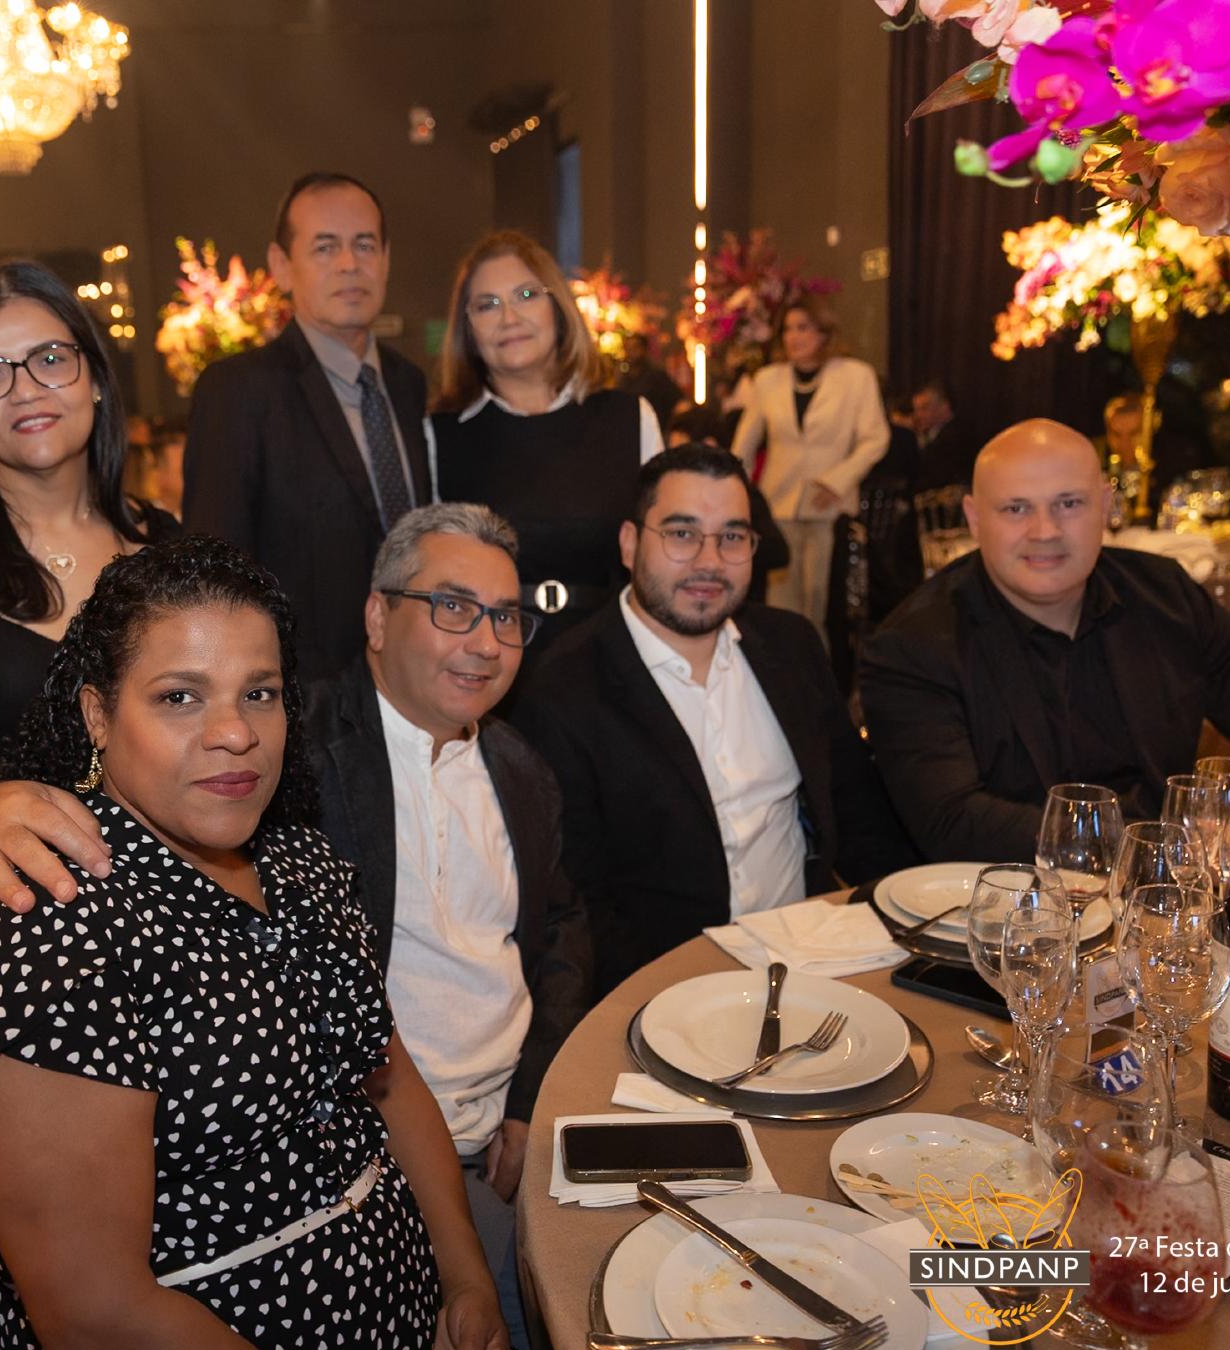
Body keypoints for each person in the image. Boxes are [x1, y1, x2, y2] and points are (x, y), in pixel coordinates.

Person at [0, 536, 511, 1350]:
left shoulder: (302, 861)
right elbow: (97, 1320)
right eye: (180, 697)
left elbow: (388, 1078)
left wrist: (467, 1279)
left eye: (259, 692)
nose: (235, 732)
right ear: (97, 714)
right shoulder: (43, 932)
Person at [858, 418, 1230, 884]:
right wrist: (1173, 845)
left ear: (1106, 505)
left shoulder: (1167, 599)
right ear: (975, 519)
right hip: (1005, 927)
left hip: (1167, 922)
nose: (1045, 530)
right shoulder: (913, 645)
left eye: (1069, 503)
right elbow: (952, 823)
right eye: (1016, 509)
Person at [302, 503, 592, 1350]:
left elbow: (562, 933)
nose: (487, 642)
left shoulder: (519, 768)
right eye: (454, 607)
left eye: (506, 617)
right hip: (371, 1149)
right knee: (553, 1321)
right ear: (377, 615)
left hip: (516, 1126)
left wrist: (530, 1102)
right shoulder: (294, 751)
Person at [514, 445, 916, 995]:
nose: (709, 561)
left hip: (814, 967)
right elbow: (582, 903)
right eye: (682, 534)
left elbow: (860, 817)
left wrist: (911, 936)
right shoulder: (562, 689)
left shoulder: (792, 647)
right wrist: (686, 1001)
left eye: (732, 536)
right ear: (630, 544)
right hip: (666, 990)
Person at [0, 259, 174, 856]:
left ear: (94, 376)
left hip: (154, 878)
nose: (25, 390)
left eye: (50, 359)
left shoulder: (163, 545)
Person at [181, 171, 432, 680]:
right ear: (282, 265)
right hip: (304, 690)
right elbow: (214, 571)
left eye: (365, 245)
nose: (349, 263)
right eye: (325, 247)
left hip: (415, 673)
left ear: (386, 259)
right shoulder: (239, 391)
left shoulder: (408, 384)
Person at [428, 230, 664, 647]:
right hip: (488, 655)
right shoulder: (440, 436)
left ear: (558, 306)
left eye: (525, 295)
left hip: (610, 651)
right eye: (487, 305)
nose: (509, 318)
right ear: (468, 329)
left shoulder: (629, 418)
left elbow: (660, 561)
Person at [730, 297, 889, 640]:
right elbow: (743, 446)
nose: (793, 337)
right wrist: (734, 494)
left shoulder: (856, 376)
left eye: (803, 328)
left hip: (830, 506)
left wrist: (836, 482)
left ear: (824, 332)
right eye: (787, 329)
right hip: (779, 504)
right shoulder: (767, 380)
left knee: (821, 605)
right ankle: (780, 669)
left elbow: (876, 439)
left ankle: (820, 669)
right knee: (779, 607)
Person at [910, 380, 974, 492]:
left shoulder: (956, 437)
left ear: (944, 407)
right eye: (916, 410)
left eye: (924, 408)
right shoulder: (930, 433)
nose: (918, 415)